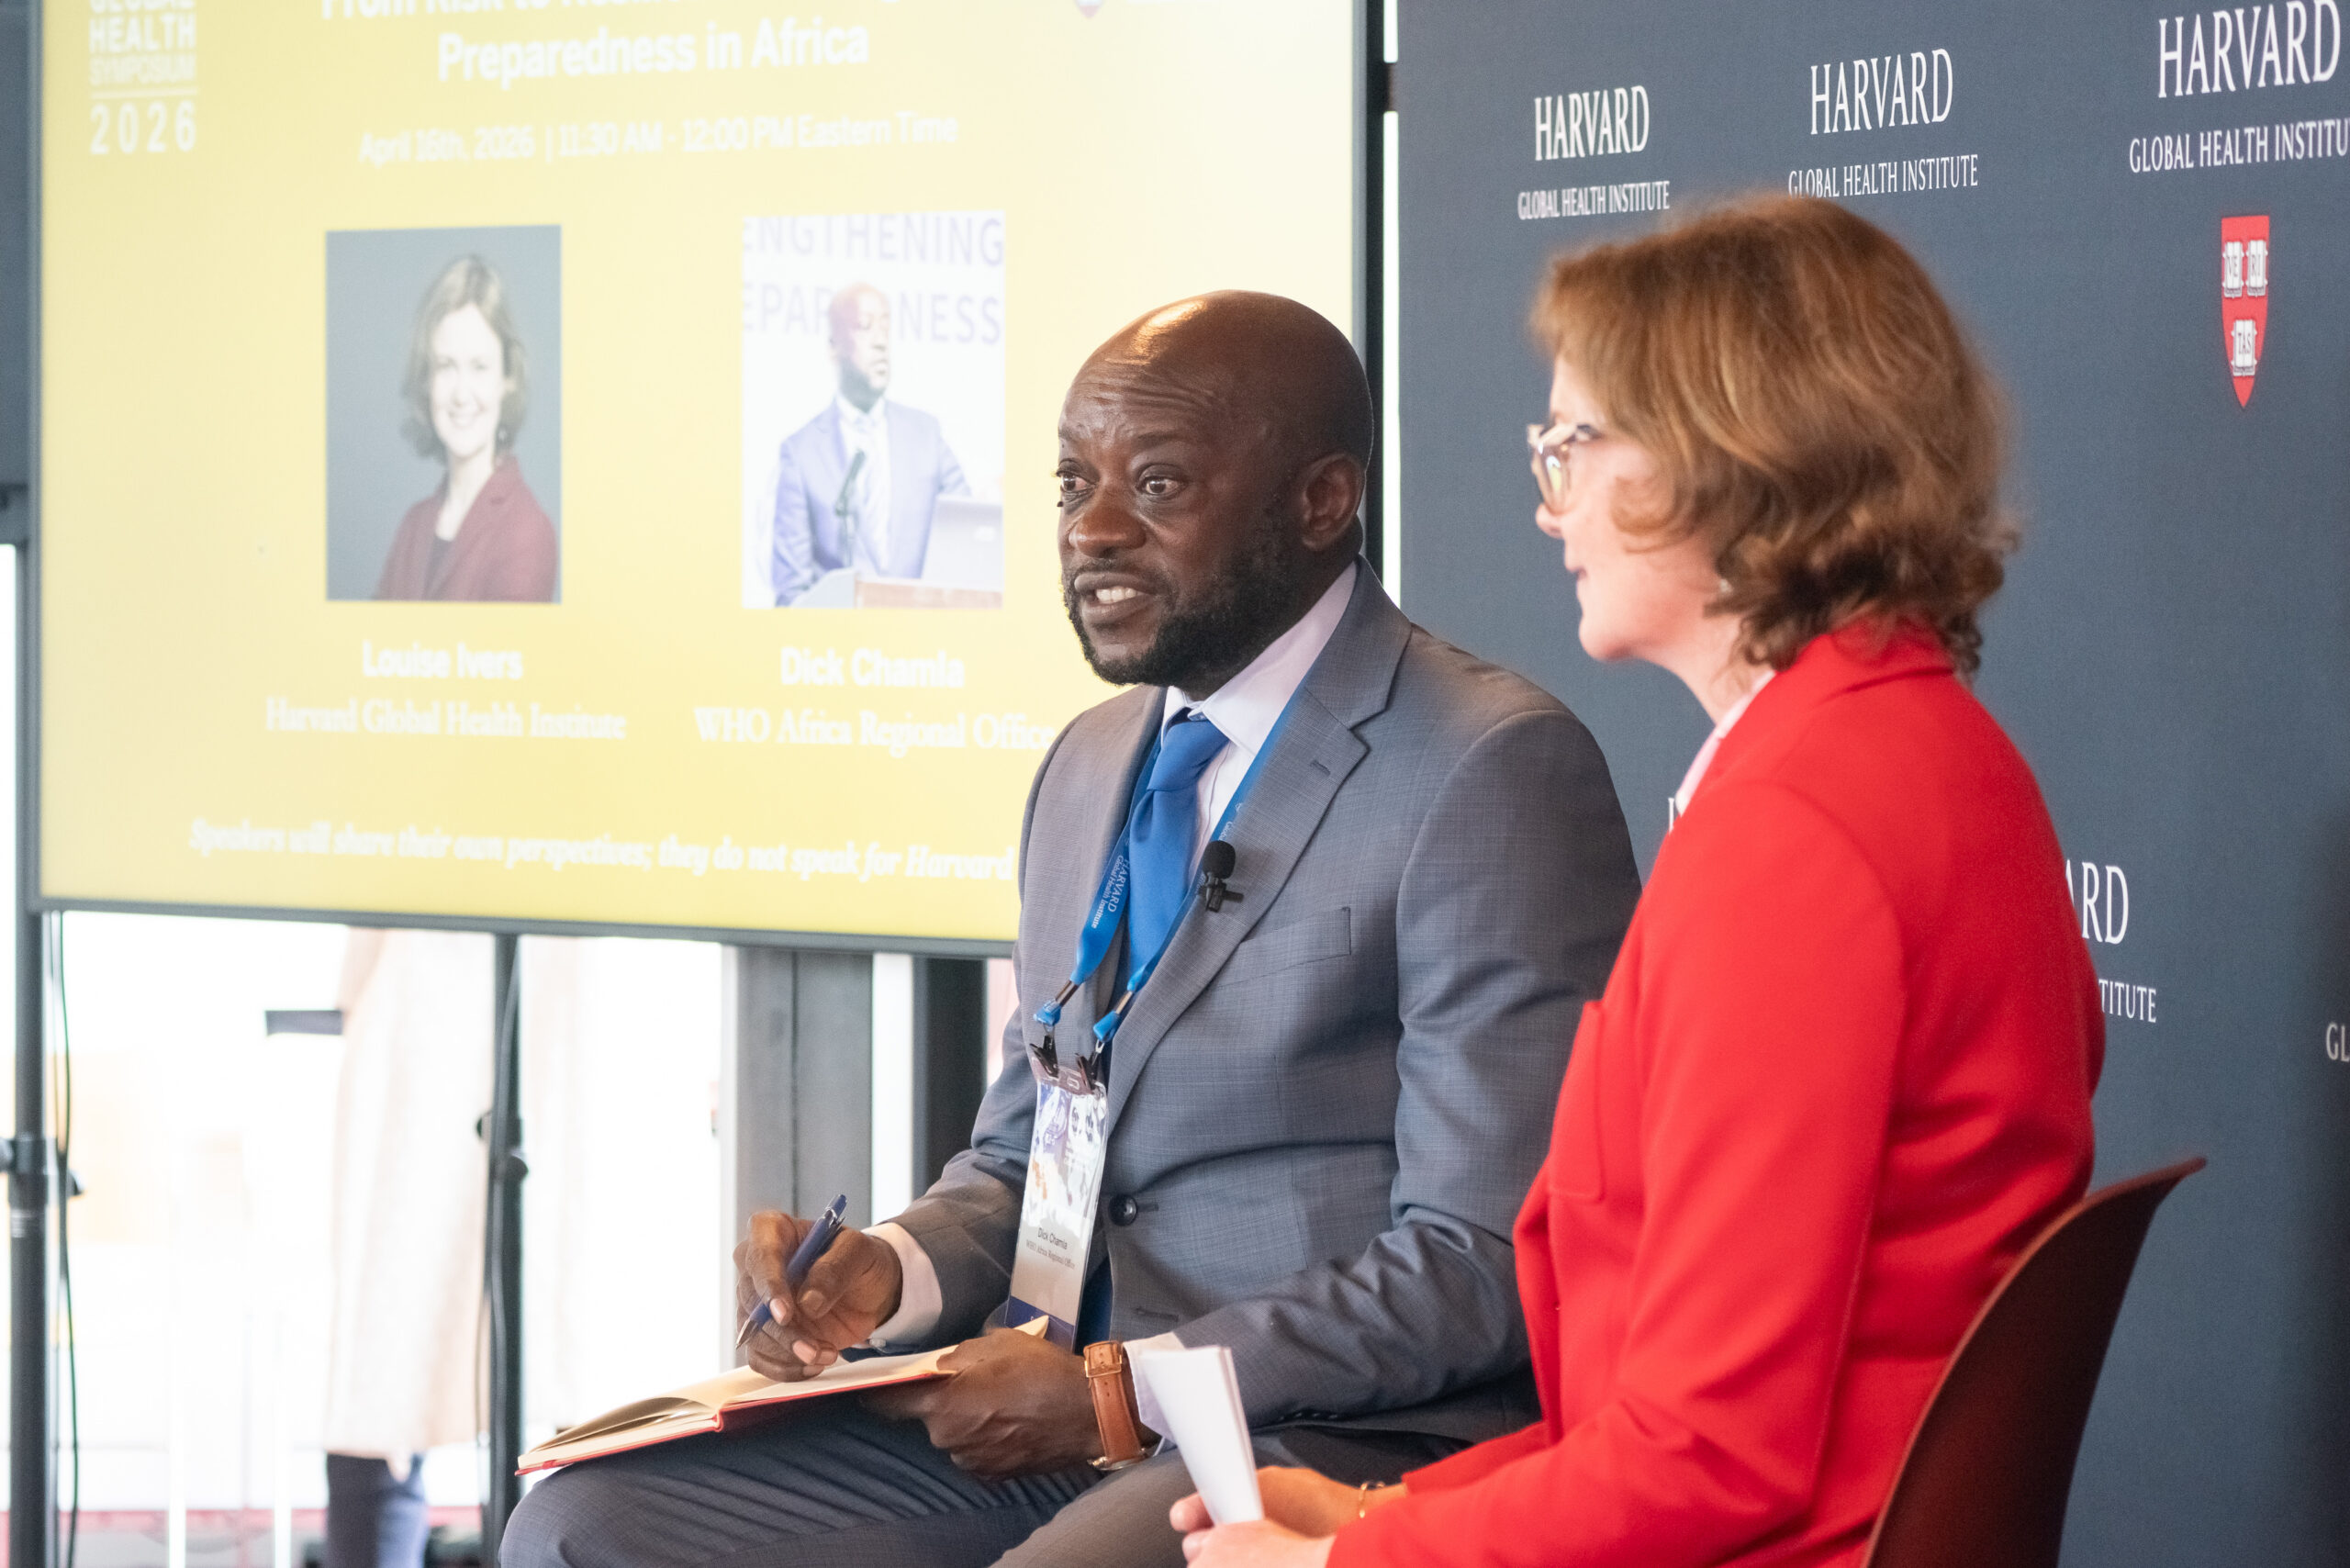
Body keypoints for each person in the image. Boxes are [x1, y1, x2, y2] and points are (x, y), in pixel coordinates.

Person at [502, 292, 1642, 1567]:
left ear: (1322, 501)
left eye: (1157, 485)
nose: (1092, 529)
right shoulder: (1090, 762)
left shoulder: (1484, 766)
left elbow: (1483, 1259)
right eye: (1071, 485)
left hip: (1330, 1432)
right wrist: (888, 1271)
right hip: (1053, 1408)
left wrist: (1124, 1389)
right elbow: (1029, 1151)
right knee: (585, 1527)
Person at [1170, 198, 2105, 1566]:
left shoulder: (1797, 828)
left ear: (1732, 453)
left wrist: (1348, 1565)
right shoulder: (1928, 749)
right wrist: (1390, 1514)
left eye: (1576, 444)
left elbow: (1711, 1456)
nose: (1548, 505)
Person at [770, 283, 970, 604]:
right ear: (834, 346)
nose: (880, 341)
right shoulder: (801, 452)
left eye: (885, 327)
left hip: (922, 633)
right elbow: (791, 595)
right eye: (865, 327)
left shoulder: (926, 435)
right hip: (836, 635)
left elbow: (970, 532)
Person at [374, 255, 558, 602]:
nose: (461, 394)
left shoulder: (527, 531)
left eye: (479, 367)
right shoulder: (413, 527)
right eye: (446, 366)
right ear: (427, 380)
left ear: (507, 379)